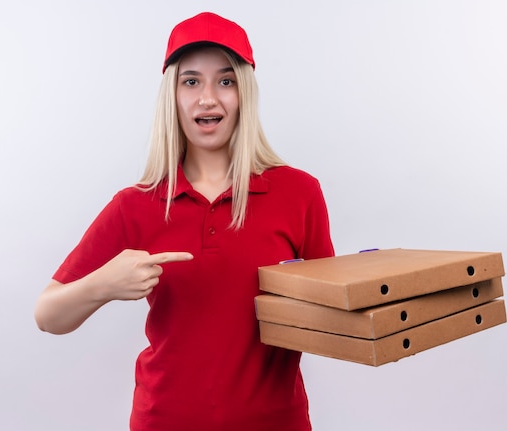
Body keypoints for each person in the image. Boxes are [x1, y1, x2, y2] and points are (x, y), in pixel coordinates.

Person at [34, 11, 334, 431]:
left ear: (244, 93)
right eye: (191, 81)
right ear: (172, 95)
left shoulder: (299, 193)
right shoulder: (134, 206)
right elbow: (48, 314)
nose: (207, 98)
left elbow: (334, 320)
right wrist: (104, 284)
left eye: (225, 81)